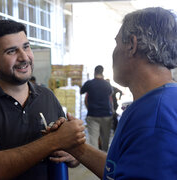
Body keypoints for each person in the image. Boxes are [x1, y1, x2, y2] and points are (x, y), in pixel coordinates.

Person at [54, 7, 177, 179]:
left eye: (117, 43)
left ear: (132, 45)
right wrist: (76, 147)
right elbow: (120, 168)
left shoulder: (154, 120)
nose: (114, 52)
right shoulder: (157, 103)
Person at [0, 20, 86, 180]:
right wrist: (54, 141)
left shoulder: (47, 96)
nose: (24, 57)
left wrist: (72, 155)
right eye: (11, 51)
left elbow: (70, 152)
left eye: (26, 47)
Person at [80, 65, 113, 152]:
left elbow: (81, 91)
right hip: (106, 115)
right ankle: (105, 159)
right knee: (105, 139)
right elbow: (110, 95)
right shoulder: (107, 84)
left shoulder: (89, 83)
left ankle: (95, 159)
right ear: (102, 72)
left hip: (92, 115)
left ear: (94, 72)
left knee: (93, 140)